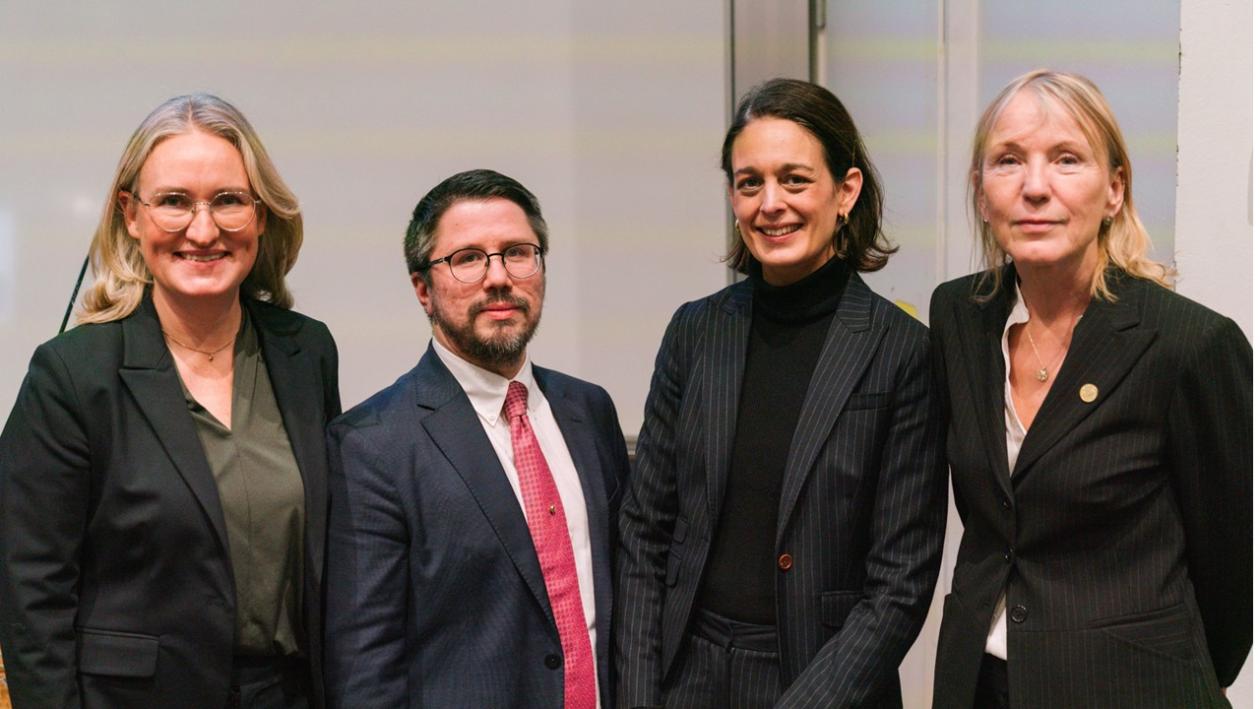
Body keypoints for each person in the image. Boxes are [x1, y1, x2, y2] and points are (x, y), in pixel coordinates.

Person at [616, 78, 948, 708]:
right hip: (688, 673)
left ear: (845, 190)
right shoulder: (696, 330)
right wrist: (637, 692)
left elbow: (900, 582)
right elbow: (644, 532)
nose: (771, 204)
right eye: (750, 183)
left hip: (824, 681)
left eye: (794, 179)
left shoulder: (902, 350)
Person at [0, 94, 340, 708]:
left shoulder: (306, 353)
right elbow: (31, 598)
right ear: (131, 215)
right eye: (175, 201)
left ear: (261, 217)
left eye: (229, 201)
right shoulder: (71, 376)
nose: (204, 230)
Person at [930, 69, 1252, 708]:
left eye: (1067, 159)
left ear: (1114, 189)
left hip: (1130, 688)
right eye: (1008, 161)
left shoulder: (1188, 344)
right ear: (980, 191)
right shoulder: (957, 317)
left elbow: (1233, 567)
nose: (1035, 186)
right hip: (978, 683)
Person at [323, 169, 630, 708]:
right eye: (466, 259)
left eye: (517, 252)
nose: (498, 277)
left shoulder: (590, 411)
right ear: (423, 288)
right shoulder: (371, 445)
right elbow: (365, 669)